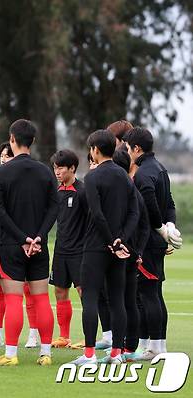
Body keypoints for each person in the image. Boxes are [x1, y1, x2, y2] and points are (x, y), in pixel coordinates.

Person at [0, 119, 58, 367]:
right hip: (39, 246)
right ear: (33, 141)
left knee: (14, 299)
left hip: (11, 245)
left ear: (12, 140)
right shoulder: (46, 172)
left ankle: (11, 354)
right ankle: (46, 353)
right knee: (41, 299)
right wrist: (38, 236)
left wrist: (21, 238)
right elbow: (54, 207)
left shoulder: (1, 172)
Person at [70, 129, 139, 365]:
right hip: (119, 248)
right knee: (117, 300)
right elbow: (134, 212)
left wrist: (110, 241)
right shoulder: (124, 176)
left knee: (89, 298)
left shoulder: (93, 177)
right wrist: (121, 239)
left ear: (95, 151)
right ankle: (116, 353)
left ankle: (89, 355)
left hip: (96, 246)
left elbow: (97, 215)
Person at [124, 127, 181, 359]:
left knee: (148, 294)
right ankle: (158, 346)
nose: (127, 152)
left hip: (147, 242)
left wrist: (161, 229)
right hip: (156, 240)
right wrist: (170, 226)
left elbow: (150, 206)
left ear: (137, 149)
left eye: (128, 148)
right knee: (154, 293)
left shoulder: (143, 173)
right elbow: (170, 203)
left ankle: (155, 347)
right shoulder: (160, 168)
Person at [0, 142, 38, 348]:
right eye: (2, 156)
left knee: (27, 288)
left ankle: (33, 334)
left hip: (24, 237)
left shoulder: (27, 179)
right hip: (1, 238)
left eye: (8, 156)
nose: (4, 159)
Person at [111, 149, 150, 362]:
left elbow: (141, 226)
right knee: (128, 300)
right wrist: (139, 252)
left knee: (121, 300)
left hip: (121, 253)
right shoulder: (134, 192)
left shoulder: (125, 193)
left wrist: (131, 250)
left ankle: (123, 348)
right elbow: (144, 228)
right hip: (132, 253)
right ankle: (127, 349)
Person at [48, 150, 87, 349]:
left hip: (79, 252)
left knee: (84, 292)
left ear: (72, 168)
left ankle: (91, 338)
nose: (57, 171)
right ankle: (64, 336)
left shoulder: (82, 191)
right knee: (60, 291)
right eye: (55, 167)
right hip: (60, 250)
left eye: (61, 167)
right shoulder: (57, 192)